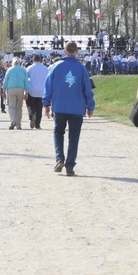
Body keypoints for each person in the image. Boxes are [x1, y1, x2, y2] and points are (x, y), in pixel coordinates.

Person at [42, 41, 95, 176]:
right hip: (77, 107)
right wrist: (90, 106)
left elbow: (48, 86)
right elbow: (87, 89)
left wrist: (46, 104)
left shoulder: (55, 66)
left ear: (64, 51)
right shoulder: (81, 68)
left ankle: (60, 158)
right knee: (74, 136)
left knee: (58, 132)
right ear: (76, 52)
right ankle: (70, 165)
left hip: (59, 106)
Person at [2, 57, 29, 130]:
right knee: (19, 107)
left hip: (11, 89)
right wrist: (27, 91)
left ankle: (13, 120)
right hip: (21, 89)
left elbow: (6, 80)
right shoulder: (23, 70)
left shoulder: (9, 70)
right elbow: (26, 81)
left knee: (11, 106)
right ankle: (18, 124)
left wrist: (3, 90)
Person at [25, 54, 48, 130]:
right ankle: (37, 124)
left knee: (30, 105)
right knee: (39, 108)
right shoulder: (45, 68)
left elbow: (26, 78)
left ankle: (32, 115)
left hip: (32, 90)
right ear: (41, 60)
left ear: (33, 60)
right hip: (42, 91)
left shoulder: (30, 68)